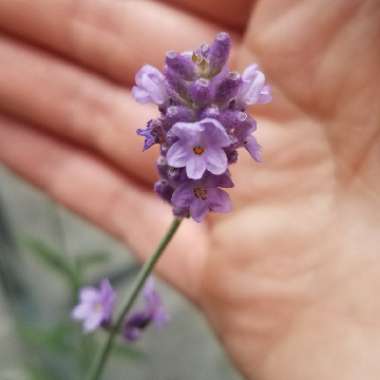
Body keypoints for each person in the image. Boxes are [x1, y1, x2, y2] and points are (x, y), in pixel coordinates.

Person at [0, 1, 379, 379]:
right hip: (186, 169)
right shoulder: (185, 135)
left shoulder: (216, 142)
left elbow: (216, 151)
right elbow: (182, 138)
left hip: (199, 176)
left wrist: (212, 158)